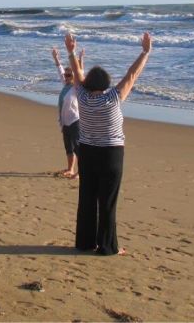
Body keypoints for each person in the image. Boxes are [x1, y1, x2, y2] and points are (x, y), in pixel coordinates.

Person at [65, 32, 152, 256]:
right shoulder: (113, 97)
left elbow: (76, 73)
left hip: (88, 152)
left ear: (87, 82)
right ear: (106, 83)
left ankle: (84, 243)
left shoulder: (81, 96)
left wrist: (71, 52)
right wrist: (145, 52)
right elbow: (132, 75)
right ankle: (106, 246)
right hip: (111, 154)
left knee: (87, 198)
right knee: (107, 201)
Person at [51, 46, 82, 179]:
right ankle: (70, 169)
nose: (66, 76)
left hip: (75, 122)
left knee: (78, 149)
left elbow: (80, 72)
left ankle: (81, 172)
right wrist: (56, 58)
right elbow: (60, 70)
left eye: (69, 75)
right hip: (65, 123)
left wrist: (80, 60)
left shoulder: (76, 88)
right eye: (66, 75)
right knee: (68, 148)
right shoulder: (65, 85)